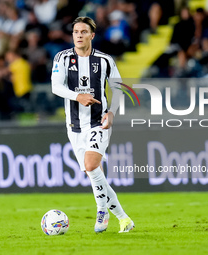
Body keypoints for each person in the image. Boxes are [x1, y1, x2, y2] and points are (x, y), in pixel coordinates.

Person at [51, 16, 134, 233]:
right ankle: (124, 218)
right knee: (95, 175)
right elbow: (56, 87)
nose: (79, 35)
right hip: (74, 126)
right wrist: (77, 96)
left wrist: (112, 113)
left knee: (91, 165)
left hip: (99, 122)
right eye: (76, 32)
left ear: (92, 35)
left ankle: (101, 212)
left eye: (83, 32)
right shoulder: (62, 58)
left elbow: (117, 88)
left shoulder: (105, 60)